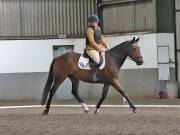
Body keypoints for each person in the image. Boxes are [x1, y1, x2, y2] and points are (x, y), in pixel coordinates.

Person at [85, 15, 109, 82]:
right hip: (91, 48)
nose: (96, 23)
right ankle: (93, 75)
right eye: (95, 22)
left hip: (98, 46)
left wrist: (106, 46)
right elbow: (92, 42)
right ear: (91, 22)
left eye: (97, 22)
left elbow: (101, 38)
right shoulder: (89, 30)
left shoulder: (98, 28)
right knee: (98, 60)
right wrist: (100, 49)